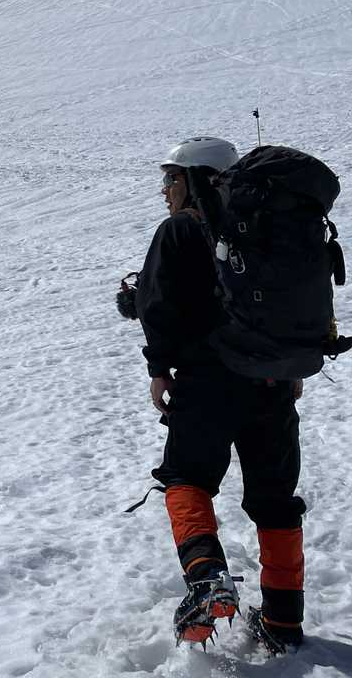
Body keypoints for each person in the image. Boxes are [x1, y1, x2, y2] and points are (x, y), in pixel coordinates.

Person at [135, 137, 307, 654]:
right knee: (275, 501)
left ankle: (207, 578)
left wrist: (159, 368)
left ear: (196, 179)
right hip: (274, 383)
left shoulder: (181, 229)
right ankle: (282, 622)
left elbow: (157, 304)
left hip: (208, 382)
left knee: (186, 477)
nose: (165, 190)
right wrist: (293, 365)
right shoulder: (273, 227)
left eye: (171, 178)